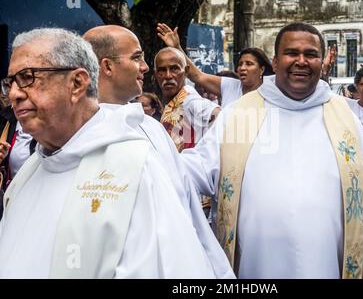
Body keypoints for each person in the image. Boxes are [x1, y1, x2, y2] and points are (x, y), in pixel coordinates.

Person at [181, 22, 363, 278]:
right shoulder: (240, 114)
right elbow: (197, 169)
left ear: (322, 63)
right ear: (275, 62)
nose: (301, 61)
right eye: (292, 53)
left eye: (310, 54)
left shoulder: (344, 117)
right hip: (255, 269)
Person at [0, 27, 218, 278]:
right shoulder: (28, 173)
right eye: (11, 82)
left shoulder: (135, 168)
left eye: (28, 77)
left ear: (77, 83)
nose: (15, 94)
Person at [83, 25, 233, 278]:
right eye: (136, 58)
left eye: (174, 68)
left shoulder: (152, 126)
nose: (144, 68)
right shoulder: (77, 135)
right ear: (106, 67)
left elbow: (188, 208)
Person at [157, 23, 274, 107]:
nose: (242, 68)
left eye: (249, 64)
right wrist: (177, 48)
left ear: (261, 69)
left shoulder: (271, 93)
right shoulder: (230, 86)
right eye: (240, 64)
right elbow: (198, 76)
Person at [155, 47, 220, 152]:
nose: (168, 75)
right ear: (156, 74)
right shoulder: (174, 103)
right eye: (162, 70)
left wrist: (204, 156)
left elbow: (221, 117)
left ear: (186, 71)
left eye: (174, 69)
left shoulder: (190, 101)